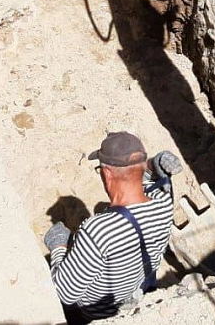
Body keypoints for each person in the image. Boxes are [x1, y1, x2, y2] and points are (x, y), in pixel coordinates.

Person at [43, 131, 182, 322]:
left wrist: (59, 246)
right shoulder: (163, 202)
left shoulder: (97, 230)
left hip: (100, 315)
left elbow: (65, 293)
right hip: (138, 289)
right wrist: (152, 165)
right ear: (142, 166)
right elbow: (149, 180)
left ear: (107, 173)